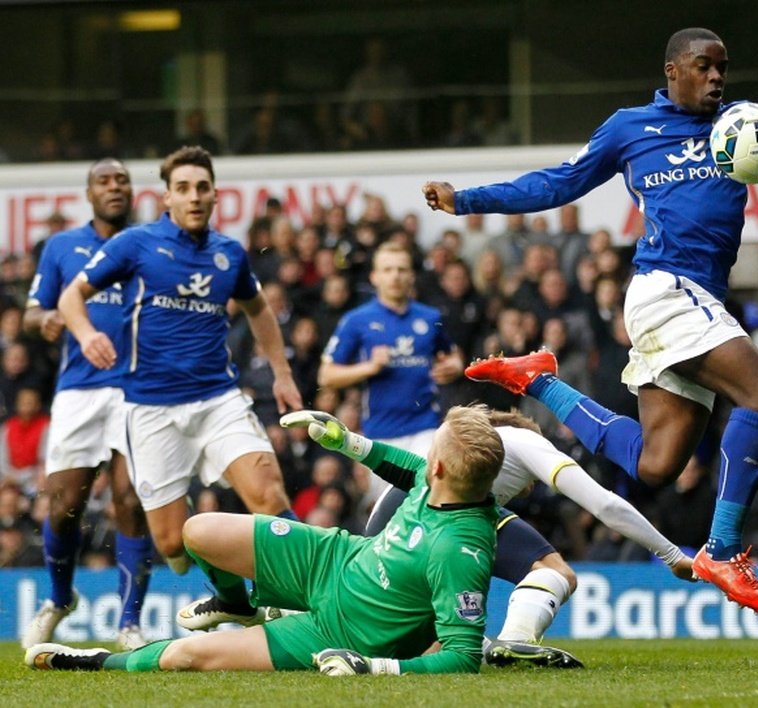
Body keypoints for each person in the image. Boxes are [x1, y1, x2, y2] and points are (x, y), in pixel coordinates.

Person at [422, 26, 758, 614]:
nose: (716, 78)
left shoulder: (745, 125)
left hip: (700, 298)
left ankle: (537, 381)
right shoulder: (629, 128)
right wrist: (468, 199)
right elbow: (557, 182)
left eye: (723, 69)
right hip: (664, 288)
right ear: (673, 71)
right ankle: (723, 547)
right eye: (704, 67)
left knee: (655, 464)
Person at [26, 405, 505, 675]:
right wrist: (347, 442)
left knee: (183, 656)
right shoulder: (443, 481)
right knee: (199, 530)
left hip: (339, 635)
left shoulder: (460, 550)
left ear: (441, 466)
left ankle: (101, 661)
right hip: (330, 559)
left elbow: (462, 656)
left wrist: (376, 669)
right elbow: (407, 467)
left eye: (433, 448)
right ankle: (234, 603)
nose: (426, 458)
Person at [56, 146, 302, 577]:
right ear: (166, 197)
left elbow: (259, 309)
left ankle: (316, 598)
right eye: (183, 188)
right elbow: (71, 296)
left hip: (218, 399)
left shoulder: (229, 253)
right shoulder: (135, 244)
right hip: (151, 408)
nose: (193, 197)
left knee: (268, 494)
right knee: (173, 547)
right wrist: (86, 332)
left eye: (201, 188)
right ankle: (229, 599)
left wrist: (282, 372)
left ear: (214, 196)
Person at [334, 405, 695, 667]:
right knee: (557, 572)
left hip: (405, 516)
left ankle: (503, 647)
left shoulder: (469, 466)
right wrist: (671, 555)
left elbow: (405, 471)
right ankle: (513, 641)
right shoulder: (525, 441)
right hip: (432, 516)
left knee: (417, 633)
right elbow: (605, 505)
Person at [21, 158, 153, 651]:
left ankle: (129, 623)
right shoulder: (61, 247)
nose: (114, 187)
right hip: (79, 388)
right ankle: (59, 599)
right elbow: (31, 313)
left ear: (132, 191)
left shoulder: (149, 245)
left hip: (138, 388)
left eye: (121, 180)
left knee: (130, 501)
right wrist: (49, 319)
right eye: (104, 181)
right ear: (89, 193)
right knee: (65, 506)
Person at [318, 242, 464, 506]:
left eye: (401, 269)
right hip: (381, 432)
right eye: (387, 269)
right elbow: (326, 375)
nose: (395, 276)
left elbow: (453, 355)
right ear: (375, 276)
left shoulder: (430, 317)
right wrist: (369, 368)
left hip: (425, 427)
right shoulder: (356, 320)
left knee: (428, 501)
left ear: (411, 275)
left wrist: (454, 366)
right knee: (390, 513)